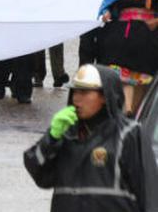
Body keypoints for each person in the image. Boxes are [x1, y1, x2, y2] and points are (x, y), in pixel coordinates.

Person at [23, 64, 154, 212]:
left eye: (84, 92)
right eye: (75, 92)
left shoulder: (128, 134)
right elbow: (40, 174)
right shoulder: (66, 134)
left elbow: (149, 193)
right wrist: (51, 138)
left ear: (105, 96)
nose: (77, 99)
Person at [95, 0, 158, 114]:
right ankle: (127, 109)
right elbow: (108, 4)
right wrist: (106, 13)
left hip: (147, 35)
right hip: (124, 35)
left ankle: (135, 111)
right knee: (125, 74)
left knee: (142, 76)